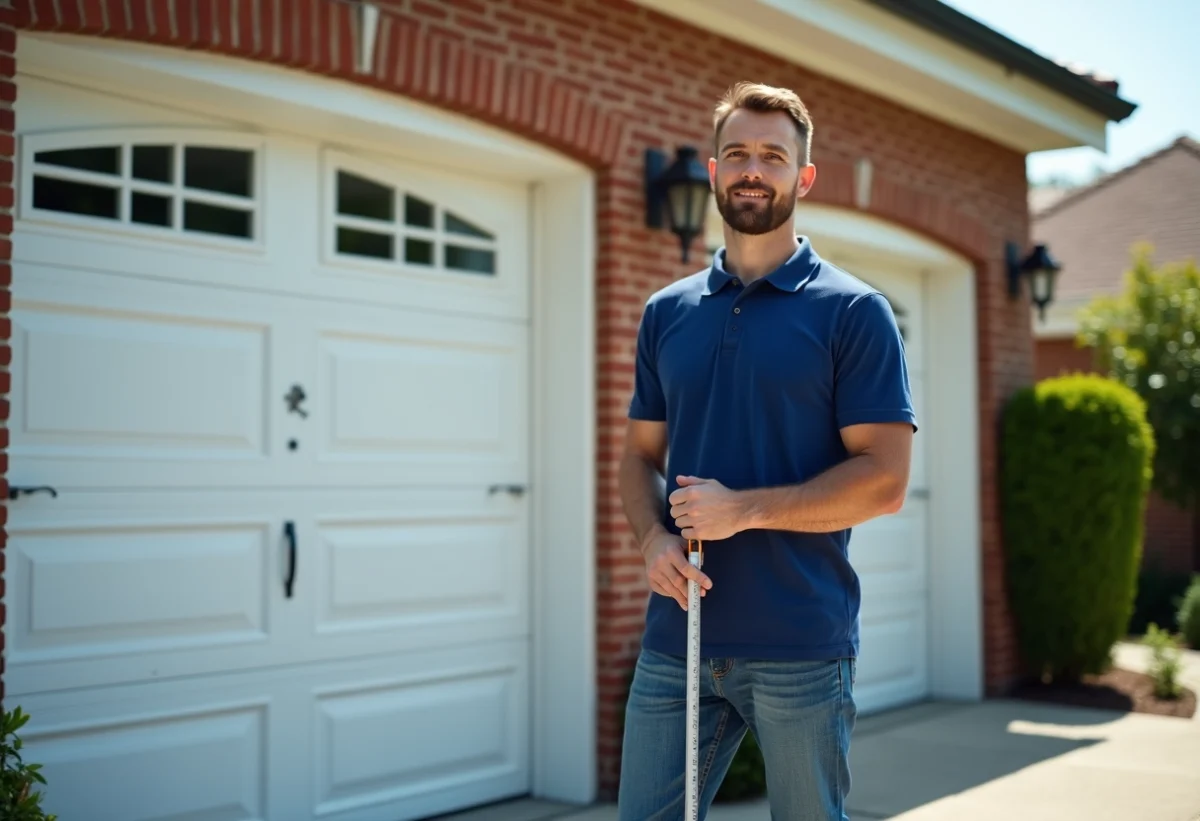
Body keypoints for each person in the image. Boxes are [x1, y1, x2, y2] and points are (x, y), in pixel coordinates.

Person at [616, 81, 917, 821]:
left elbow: (884, 482)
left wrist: (741, 510)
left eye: (773, 156)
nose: (754, 168)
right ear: (714, 170)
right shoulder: (667, 312)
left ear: (803, 177)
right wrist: (653, 536)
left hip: (800, 645)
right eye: (738, 153)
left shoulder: (853, 312)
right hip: (676, 644)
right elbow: (636, 456)